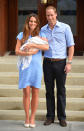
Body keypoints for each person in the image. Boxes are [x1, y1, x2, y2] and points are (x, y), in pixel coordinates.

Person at [40, 6, 75, 127]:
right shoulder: (43, 29)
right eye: (47, 15)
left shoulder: (65, 28)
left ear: (56, 14)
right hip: (47, 63)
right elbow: (40, 46)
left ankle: (62, 117)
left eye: (51, 15)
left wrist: (69, 63)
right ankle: (50, 116)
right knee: (49, 91)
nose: (50, 17)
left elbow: (71, 46)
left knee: (61, 90)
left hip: (61, 63)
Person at [15, 13, 49, 128]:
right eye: (31, 21)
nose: (33, 23)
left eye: (35, 21)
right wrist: (28, 52)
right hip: (25, 68)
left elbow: (46, 47)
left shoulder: (41, 34)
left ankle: (33, 117)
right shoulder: (21, 35)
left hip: (36, 67)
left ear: (37, 23)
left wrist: (34, 44)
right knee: (26, 93)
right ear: (27, 22)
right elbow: (16, 51)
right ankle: (27, 117)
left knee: (35, 92)